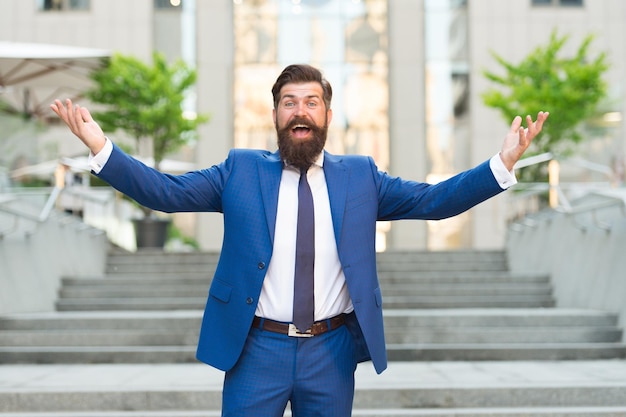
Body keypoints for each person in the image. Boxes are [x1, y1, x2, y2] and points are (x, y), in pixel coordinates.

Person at [51, 64, 549, 417]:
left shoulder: (360, 177)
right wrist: (103, 149)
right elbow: (165, 192)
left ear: (328, 115)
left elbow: (435, 201)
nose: (300, 111)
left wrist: (500, 165)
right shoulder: (241, 171)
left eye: (311, 102)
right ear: (275, 116)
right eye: (289, 103)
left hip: (330, 350)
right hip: (255, 349)